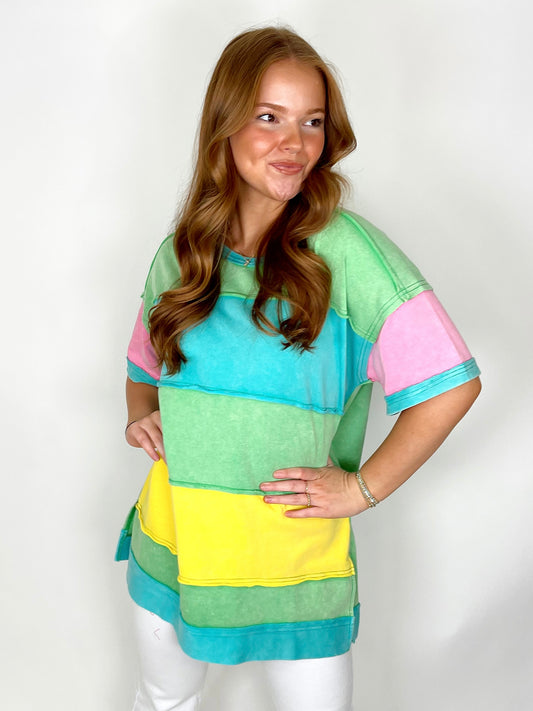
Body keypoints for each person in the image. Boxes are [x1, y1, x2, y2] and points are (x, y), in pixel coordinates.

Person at [116, 26, 481, 711]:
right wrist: (142, 415)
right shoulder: (183, 252)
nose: (294, 142)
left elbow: (451, 384)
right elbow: (144, 364)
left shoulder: (350, 253)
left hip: (295, 564)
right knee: (164, 700)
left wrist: (363, 488)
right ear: (224, 122)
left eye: (312, 121)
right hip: (174, 545)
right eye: (268, 117)